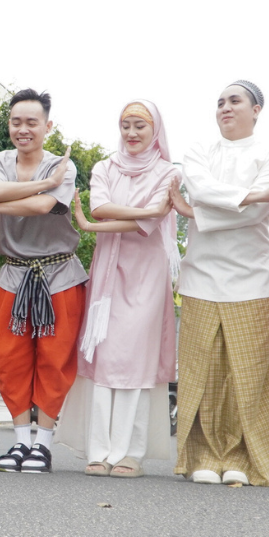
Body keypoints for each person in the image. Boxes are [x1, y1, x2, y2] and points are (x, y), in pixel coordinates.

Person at [168, 81, 269, 486]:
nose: (225, 108)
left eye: (235, 100)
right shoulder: (199, 152)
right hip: (201, 274)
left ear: (256, 110)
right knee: (203, 371)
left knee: (247, 374)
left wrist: (196, 212)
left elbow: (256, 214)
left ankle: (241, 457)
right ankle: (201, 456)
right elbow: (201, 187)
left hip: (252, 278)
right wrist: (250, 197)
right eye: (220, 102)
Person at [57, 100, 178, 478]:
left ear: (154, 129)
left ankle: (130, 454)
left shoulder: (169, 172)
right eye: (125, 125)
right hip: (108, 274)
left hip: (146, 275)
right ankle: (99, 450)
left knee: (136, 362)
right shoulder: (104, 167)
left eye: (140, 125)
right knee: (105, 357)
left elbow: (153, 217)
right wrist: (137, 212)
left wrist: (102, 222)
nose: (131, 133)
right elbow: (101, 207)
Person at [0, 89, 87, 474]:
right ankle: (21, 441)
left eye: (31, 122)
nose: (23, 129)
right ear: (9, 125)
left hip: (59, 275)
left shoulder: (63, 165)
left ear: (47, 126)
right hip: (15, 273)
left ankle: (44, 444)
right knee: (7, 358)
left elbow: (44, 207)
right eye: (16, 122)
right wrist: (35, 186)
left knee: (55, 359)